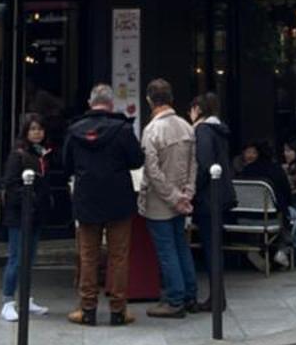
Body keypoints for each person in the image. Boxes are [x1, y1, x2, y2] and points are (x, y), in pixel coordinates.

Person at [62, 82, 144, 325]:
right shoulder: (122, 130)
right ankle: (118, 311)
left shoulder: (75, 130)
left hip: (87, 198)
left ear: (90, 103)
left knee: (88, 256)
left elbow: (65, 164)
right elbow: (137, 161)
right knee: (118, 256)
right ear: (111, 105)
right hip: (119, 199)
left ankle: (87, 309)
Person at [138, 79, 197, 319]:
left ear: (150, 100)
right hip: (182, 196)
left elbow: (153, 172)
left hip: (161, 201)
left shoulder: (152, 130)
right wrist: (187, 193)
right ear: (171, 98)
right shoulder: (186, 126)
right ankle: (190, 294)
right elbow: (194, 163)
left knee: (167, 250)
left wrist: (172, 198)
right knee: (181, 246)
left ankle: (174, 299)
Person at [0, 113, 51, 323]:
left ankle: (25, 298)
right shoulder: (18, 155)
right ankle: (8, 301)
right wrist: (30, 200)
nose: (37, 132)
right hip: (20, 214)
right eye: (32, 129)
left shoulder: (42, 154)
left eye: (39, 128)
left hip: (35, 214)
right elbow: (10, 185)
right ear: (25, 132)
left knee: (29, 258)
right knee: (17, 258)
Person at [188, 92, 237, 311]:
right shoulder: (219, 131)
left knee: (211, 248)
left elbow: (204, 164)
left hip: (208, 198)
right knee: (214, 247)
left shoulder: (203, 131)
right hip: (221, 195)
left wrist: (192, 189)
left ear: (198, 109)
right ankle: (218, 297)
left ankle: (216, 299)